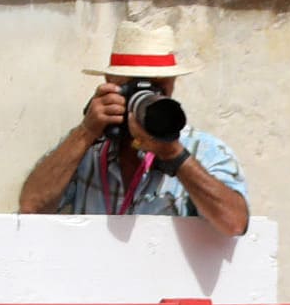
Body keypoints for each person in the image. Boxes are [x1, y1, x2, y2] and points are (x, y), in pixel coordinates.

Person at [18, 21, 249, 237]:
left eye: (158, 86)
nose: (146, 97)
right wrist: (86, 132)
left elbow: (235, 224)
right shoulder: (87, 150)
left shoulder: (203, 151)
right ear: (110, 82)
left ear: (172, 84)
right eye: (133, 86)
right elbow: (32, 206)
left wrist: (175, 157)